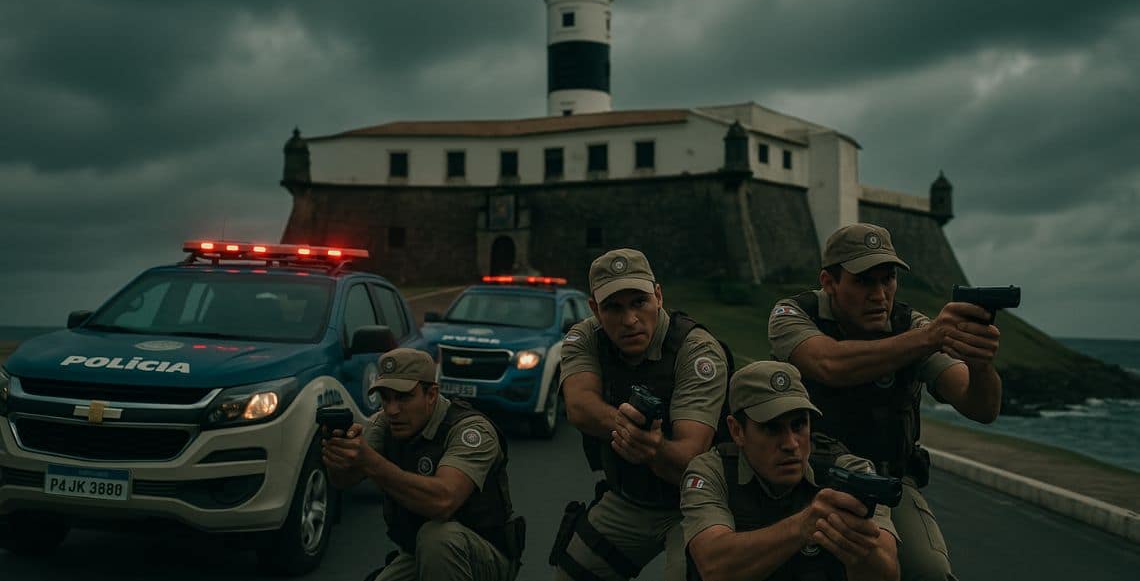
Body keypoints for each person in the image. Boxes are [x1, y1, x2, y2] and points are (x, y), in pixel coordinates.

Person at [769, 223, 1002, 581]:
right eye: (864, 281)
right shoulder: (794, 314)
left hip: (885, 480)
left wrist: (980, 362)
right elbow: (830, 364)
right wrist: (929, 338)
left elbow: (981, 407)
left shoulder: (912, 326)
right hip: (804, 477)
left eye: (888, 279)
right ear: (829, 282)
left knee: (929, 572)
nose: (879, 294)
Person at [551, 248, 731, 581]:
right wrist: (631, 431)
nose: (630, 320)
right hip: (629, 499)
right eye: (613, 307)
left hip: (696, 502)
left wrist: (649, 446)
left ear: (658, 296)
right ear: (595, 309)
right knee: (570, 574)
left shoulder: (696, 350)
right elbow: (579, 407)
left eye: (639, 302)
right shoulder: (584, 336)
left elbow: (690, 457)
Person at [682, 361, 900, 581]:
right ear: (737, 431)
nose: (791, 444)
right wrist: (803, 525)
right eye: (771, 428)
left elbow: (888, 574)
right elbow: (713, 567)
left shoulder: (848, 472)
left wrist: (856, 542)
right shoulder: (712, 471)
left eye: (798, 425)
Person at [322, 348, 524, 581]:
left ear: (431, 395)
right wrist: (338, 455)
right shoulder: (384, 423)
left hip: (483, 556)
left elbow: (443, 501)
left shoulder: (470, 431)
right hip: (419, 551)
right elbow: (345, 480)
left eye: (403, 397)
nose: (392, 409)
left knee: (437, 536)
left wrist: (371, 462)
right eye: (386, 398)